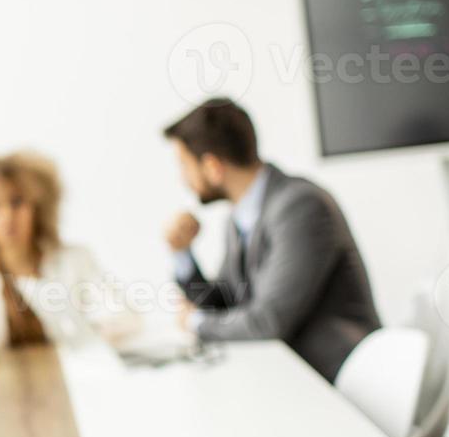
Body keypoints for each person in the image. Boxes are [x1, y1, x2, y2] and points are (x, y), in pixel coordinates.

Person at [162, 97, 380, 382]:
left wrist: (194, 323)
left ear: (213, 166)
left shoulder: (300, 206)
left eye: (183, 165)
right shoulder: (240, 217)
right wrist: (182, 254)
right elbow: (225, 305)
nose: (183, 178)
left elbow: (267, 322)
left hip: (342, 383)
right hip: (286, 376)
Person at [0, 151, 138, 351]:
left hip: (70, 376)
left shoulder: (75, 260)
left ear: (37, 207)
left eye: (17, 202)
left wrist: (93, 331)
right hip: (0, 378)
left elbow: (125, 314)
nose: (7, 217)